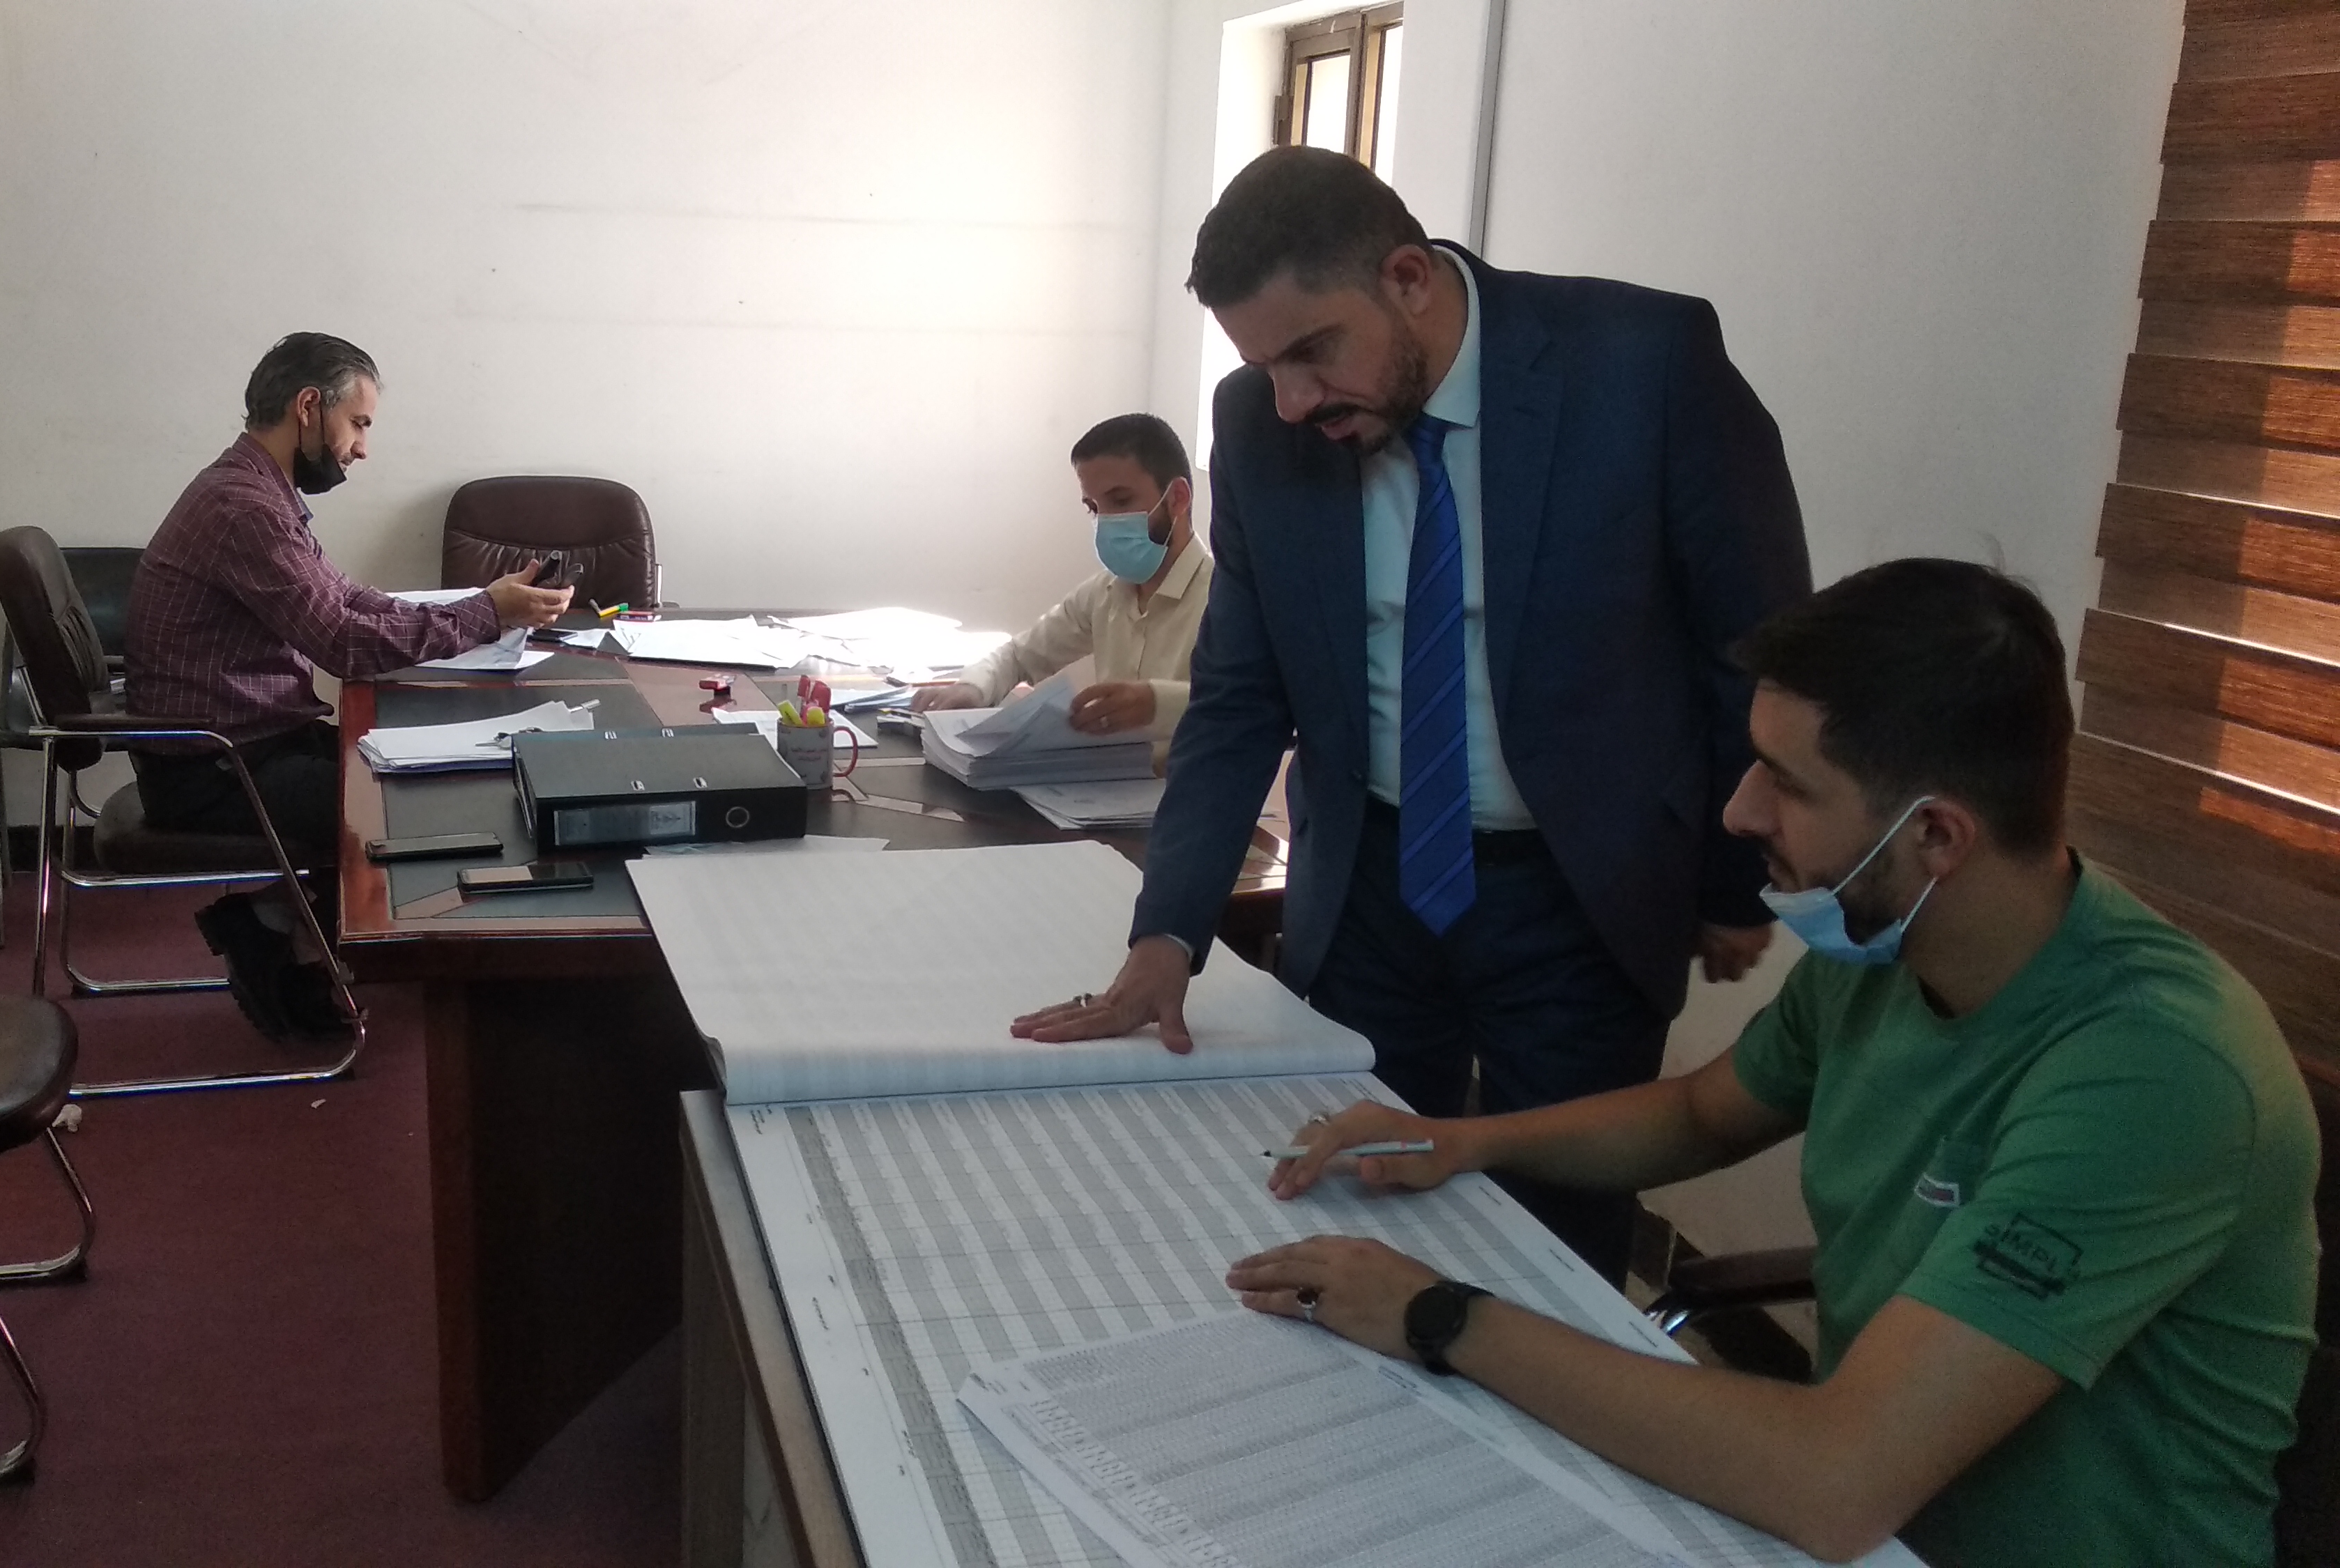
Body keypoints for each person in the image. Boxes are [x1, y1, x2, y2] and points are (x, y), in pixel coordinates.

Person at [1228, 560, 2321, 1567]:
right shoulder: (1890, 944)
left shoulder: (2155, 1068)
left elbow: (1834, 1478)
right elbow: (1703, 1113)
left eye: (1787, 782)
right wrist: (1459, 1139)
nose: (1741, 809)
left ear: (1937, 836)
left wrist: (1436, 1314)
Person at [1015, 146, 1812, 1278]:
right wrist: (1167, 932)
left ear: (1407, 279)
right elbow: (1240, 700)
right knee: (1353, 1190)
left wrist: (1735, 883)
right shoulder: (1261, 424)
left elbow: (1754, 642)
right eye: (1263, 365)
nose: (1292, 400)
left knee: (1557, 1236)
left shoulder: (1643, 367)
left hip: (1577, 896)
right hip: (1370, 891)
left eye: (1312, 352)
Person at [123, 332, 574, 1040]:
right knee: (417, 802)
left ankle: (281, 921)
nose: (362, 448)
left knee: (418, 777)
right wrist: (489, 614)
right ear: (309, 407)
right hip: (214, 771)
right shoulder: (245, 509)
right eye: (358, 423)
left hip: (245, 745)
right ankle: (280, 929)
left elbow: (347, 600)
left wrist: (479, 606)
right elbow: (345, 645)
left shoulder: (254, 490)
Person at [912, 413, 1210, 746]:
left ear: (1177, 498)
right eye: (1094, 508)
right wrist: (973, 688)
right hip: (1103, 776)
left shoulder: (1226, 598)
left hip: (1185, 778)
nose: (1106, 521)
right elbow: (1019, 655)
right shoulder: (1104, 593)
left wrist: (1157, 704)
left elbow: (1248, 705)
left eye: (1121, 500)